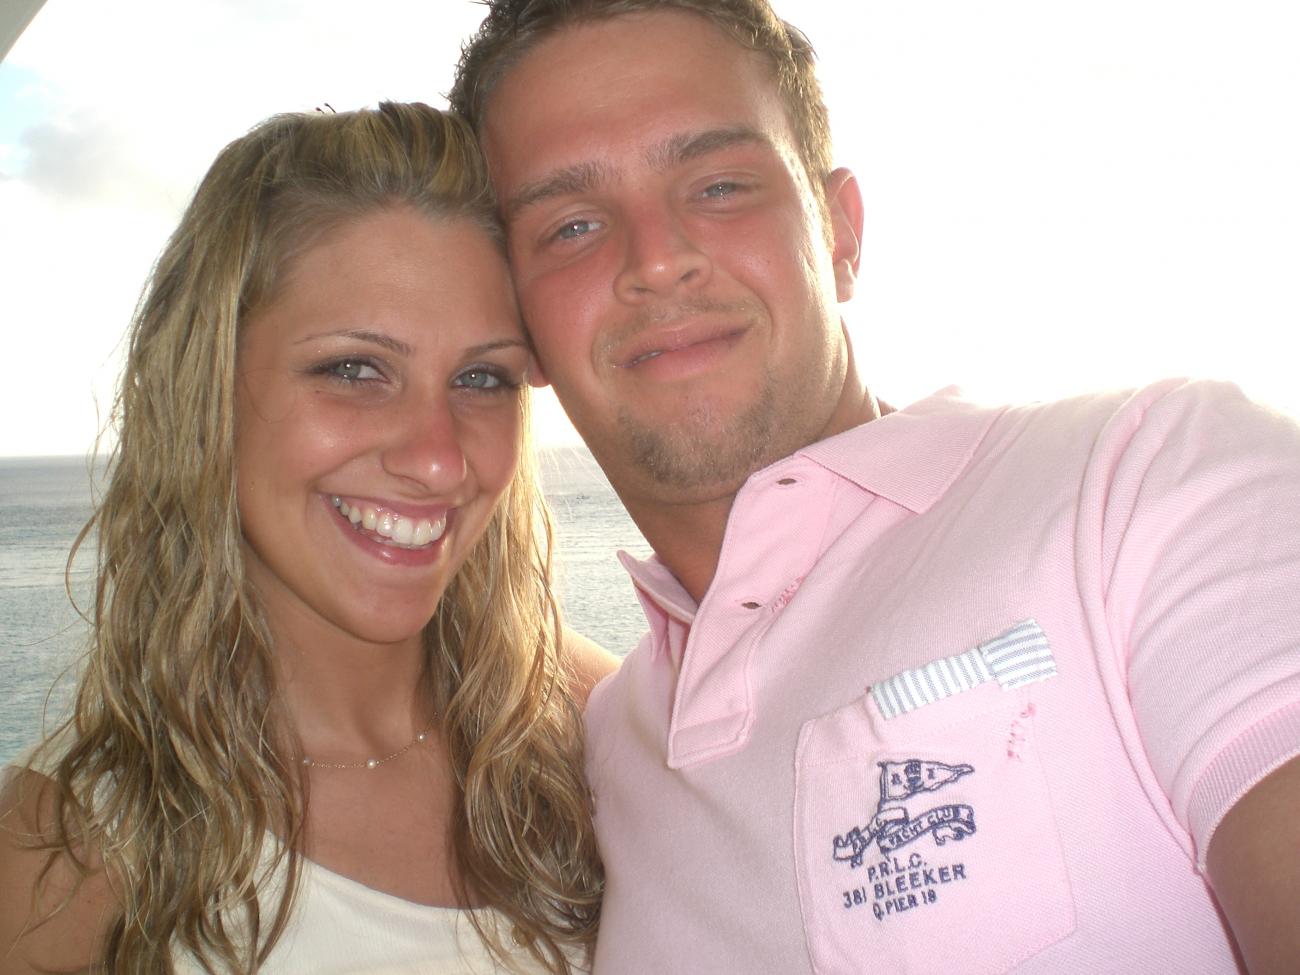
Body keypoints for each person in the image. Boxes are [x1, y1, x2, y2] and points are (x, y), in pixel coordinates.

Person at [448, 2, 1300, 972]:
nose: (655, 258)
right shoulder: (612, 745)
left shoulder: (1150, 482)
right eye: (570, 225)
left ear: (841, 233)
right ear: (519, 326)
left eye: (719, 186)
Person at [0, 102, 615, 974]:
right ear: (206, 386)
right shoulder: (65, 859)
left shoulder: (596, 726)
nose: (438, 460)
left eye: (482, 377)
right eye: (355, 369)